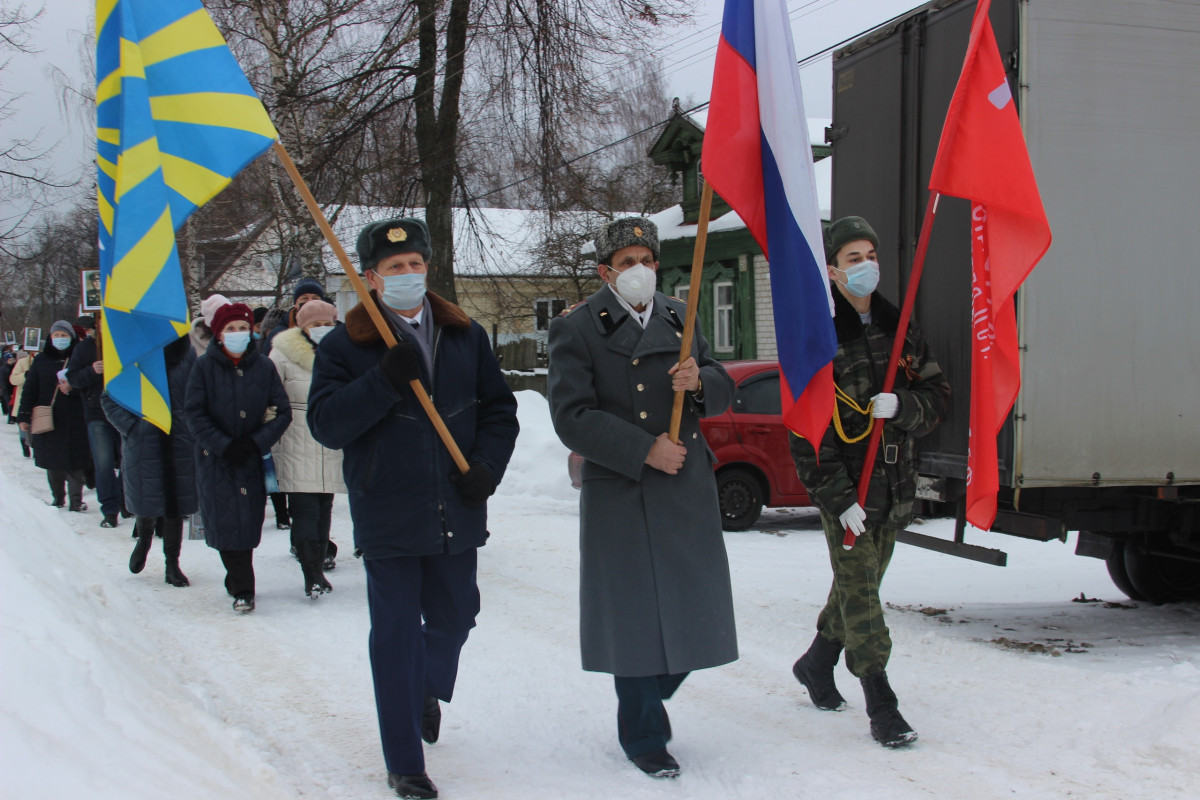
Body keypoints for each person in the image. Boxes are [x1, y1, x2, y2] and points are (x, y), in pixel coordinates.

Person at [308, 217, 518, 800]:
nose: (408, 274)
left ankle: (424, 686)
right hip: (388, 512)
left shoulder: (464, 334)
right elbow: (326, 425)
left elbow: (499, 411)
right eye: (394, 268)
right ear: (371, 279)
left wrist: (486, 468)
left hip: (456, 508)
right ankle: (404, 762)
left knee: (455, 618)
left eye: (416, 264)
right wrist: (381, 380)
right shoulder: (346, 346)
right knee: (396, 635)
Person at [546, 217, 738, 779]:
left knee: (694, 604)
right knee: (632, 616)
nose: (640, 271)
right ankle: (644, 732)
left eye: (647, 260)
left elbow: (722, 381)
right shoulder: (578, 328)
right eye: (627, 262)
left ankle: (655, 689)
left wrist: (699, 382)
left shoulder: (681, 316)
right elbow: (571, 417)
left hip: (684, 485)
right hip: (622, 485)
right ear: (606, 272)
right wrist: (642, 449)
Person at [788, 216, 950, 748]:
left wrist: (903, 405)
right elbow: (805, 434)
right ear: (833, 270)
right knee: (863, 598)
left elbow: (937, 399)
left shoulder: (898, 327)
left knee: (858, 587)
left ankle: (815, 663)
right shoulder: (818, 336)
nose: (866, 266)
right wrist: (837, 500)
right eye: (853, 258)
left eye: (871, 255)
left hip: (894, 490)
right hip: (848, 496)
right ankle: (882, 703)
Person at [184, 302, 292, 613]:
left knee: (246, 521)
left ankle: (241, 583)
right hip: (216, 458)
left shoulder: (264, 367)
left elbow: (282, 412)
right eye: (231, 329)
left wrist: (256, 442)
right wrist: (223, 445)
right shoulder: (203, 367)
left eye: (243, 328)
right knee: (223, 521)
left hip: (250, 457)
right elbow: (194, 412)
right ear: (218, 334)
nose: (238, 334)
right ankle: (242, 586)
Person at [102, 335, 197, 587]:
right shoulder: (131, 353)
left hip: (179, 439)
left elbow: (199, 392)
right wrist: (134, 428)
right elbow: (110, 397)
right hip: (144, 439)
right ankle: (144, 537)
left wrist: (191, 425)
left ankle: (172, 564)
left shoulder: (187, 354)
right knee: (147, 494)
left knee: (175, 503)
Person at [268, 298, 345, 597]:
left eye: (327, 324)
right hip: (296, 439)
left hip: (329, 439)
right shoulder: (282, 353)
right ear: (302, 327)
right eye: (315, 325)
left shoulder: (342, 353)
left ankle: (319, 563)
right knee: (304, 509)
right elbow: (272, 397)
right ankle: (310, 572)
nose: (322, 329)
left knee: (324, 507)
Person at [17, 321, 92, 511]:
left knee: (76, 461)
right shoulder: (41, 360)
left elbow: (89, 382)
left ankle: (76, 500)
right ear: (50, 338)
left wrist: (73, 388)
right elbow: (30, 388)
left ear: (71, 337)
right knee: (53, 461)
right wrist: (24, 416)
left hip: (77, 416)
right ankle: (58, 498)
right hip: (49, 418)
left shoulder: (79, 356)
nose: (60, 339)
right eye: (56, 335)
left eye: (64, 335)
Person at [66, 314, 128, 528]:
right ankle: (110, 509)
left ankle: (125, 500)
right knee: (103, 465)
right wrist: (92, 370)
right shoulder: (85, 348)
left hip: (126, 412)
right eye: (103, 320)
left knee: (128, 461)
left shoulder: (126, 343)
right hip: (97, 413)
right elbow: (73, 377)